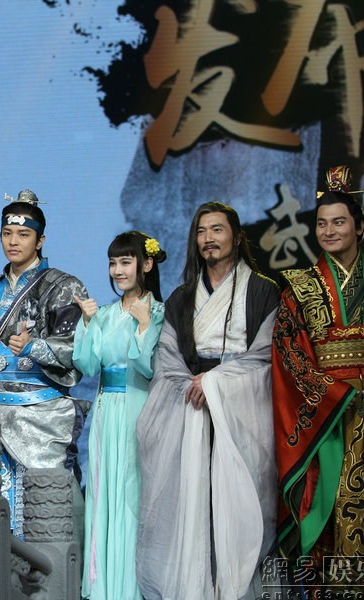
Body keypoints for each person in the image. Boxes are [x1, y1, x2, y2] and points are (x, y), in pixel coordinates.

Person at [135, 201, 280, 599]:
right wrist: (193, 384)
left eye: (217, 230)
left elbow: (265, 356)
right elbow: (168, 359)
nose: (208, 239)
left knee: (241, 508)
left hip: (241, 410)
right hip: (193, 408)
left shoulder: (263, 291)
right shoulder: (182, 298)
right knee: (195, 507)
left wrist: (215, 383)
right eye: (201, 232)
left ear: (236, 236)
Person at [273, 165, 364, 589]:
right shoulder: (299, 289)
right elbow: (287, 352)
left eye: (339, 222)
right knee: (333, 505)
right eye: (321, 224)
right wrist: (329, 393)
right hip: (328, 417)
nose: (329, 231)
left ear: (360, 226)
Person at [0, 189, 89, 538]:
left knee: (47, 506)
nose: (14, 241)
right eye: (7, 233)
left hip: (40, 410)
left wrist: (33, 347)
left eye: (23, 234)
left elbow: (76, 349)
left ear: (40, 240)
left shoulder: (62, 286)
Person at [72, 231, 166, 600]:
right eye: (113, 263)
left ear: (146, 264)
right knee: (102, 492)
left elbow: (150, 368)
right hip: (106, 410)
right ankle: (103, 588)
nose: (118, 270)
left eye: (126, 262)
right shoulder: (107, 315)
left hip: (139, 409)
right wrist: (87, 322)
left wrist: (144, 326)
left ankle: (132, 589)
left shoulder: (159, 313)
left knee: (132, 494)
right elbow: (86, 364)